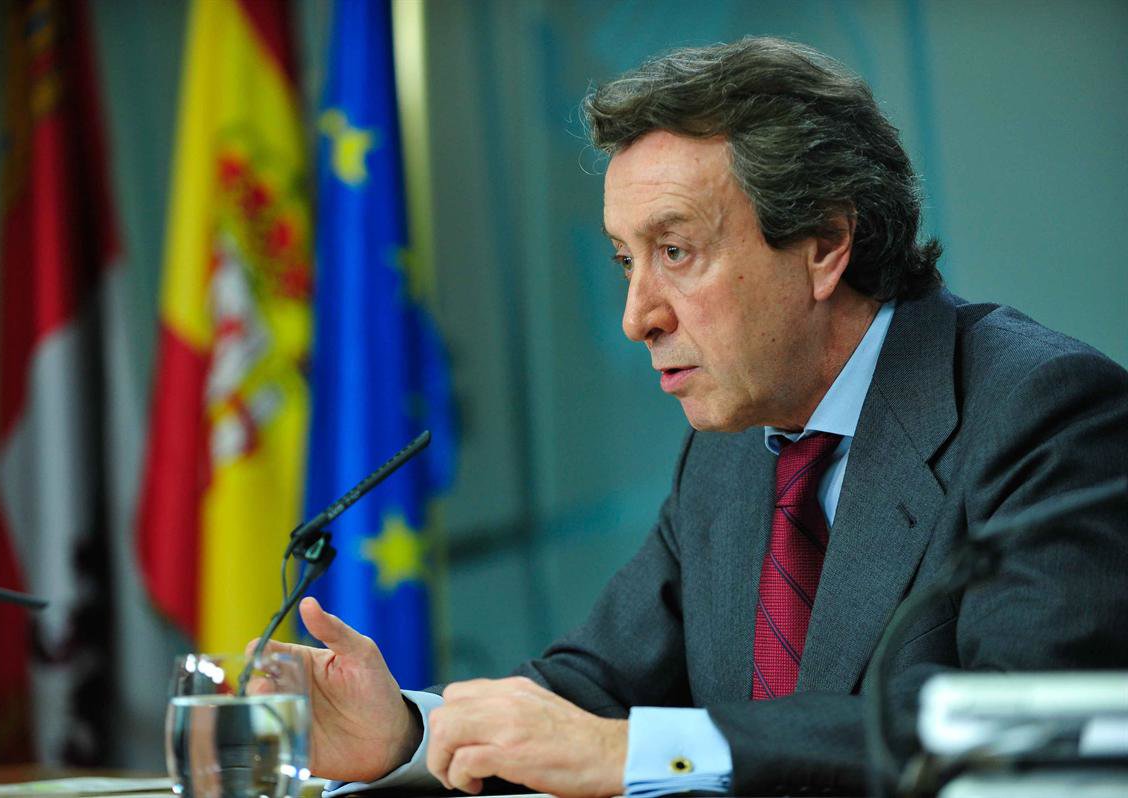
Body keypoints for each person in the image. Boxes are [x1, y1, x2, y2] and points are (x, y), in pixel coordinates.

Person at [266, 37, 1128, 796]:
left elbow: (1031, 739)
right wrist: (408, 736)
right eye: (626, 262)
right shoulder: (735, 452)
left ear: (825, 245)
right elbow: (591, 695)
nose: (636, 316)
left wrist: (645, 753)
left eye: (675, 252)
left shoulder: (1045, 413)